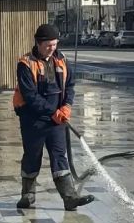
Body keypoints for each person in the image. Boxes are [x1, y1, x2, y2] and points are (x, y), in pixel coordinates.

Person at [13, 24, 95, 211]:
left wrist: (67, 106)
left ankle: (70, 197)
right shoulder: (25, 64)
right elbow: (30, 96)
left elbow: (70, 85)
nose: (52, 48)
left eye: (55, 44)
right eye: (48, 45)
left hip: (57, 120)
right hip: (33, 119)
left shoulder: (62, 59)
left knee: (59, 156)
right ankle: (27, 195)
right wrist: (52, 112)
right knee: (32, 155)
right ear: (38, 43)